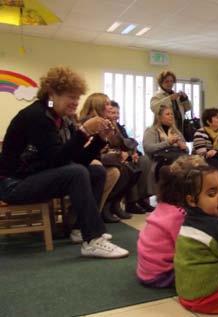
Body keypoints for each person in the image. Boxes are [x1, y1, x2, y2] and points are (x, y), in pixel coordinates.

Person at [0, 66, 128, 258]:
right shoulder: (36, 116)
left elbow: (75, 159)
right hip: (13, 184)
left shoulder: (60, 118)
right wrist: (84, 131)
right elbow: (57, 159)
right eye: (71, 97)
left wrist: (100, 138)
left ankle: (79, 228)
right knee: (76, 172)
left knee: (96, 172)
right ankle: (92, 239)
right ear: (52, 95)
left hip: (35, 176)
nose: (76, 102)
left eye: (77, 97)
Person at [174, 165, 218, 314]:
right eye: (212, 194)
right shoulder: (216, 227)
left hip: (188, 295)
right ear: (192, 200)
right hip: (210, 297)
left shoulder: (189, 221)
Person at [137, 155, 206, 288]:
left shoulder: (164, 206)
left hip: (146, 272)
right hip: (162, 276)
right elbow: (191, 250)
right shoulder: (180, 216)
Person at [80, 93, 140, 222]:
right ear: (98, 106)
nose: (111, 108)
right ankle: (100, 210)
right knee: (118, 170)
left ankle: (109, 205)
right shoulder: (89, 123)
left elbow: (122, 143)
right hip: (90, 163)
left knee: (128, 168)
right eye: (107, 104)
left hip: (101, 159)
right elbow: (92, 151)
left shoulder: (107, 123)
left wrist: (127, 152)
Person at [109, 101, 154, 213]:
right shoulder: (107, 128)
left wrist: (135, 153)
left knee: (145, 160)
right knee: (131, 165)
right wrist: (129, 155)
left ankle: (142, 199)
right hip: (118, 157)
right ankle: (131, 202)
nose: (116, 115)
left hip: (128, 155)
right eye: (113, 112)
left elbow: (129, 143)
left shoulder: (120, 128)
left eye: (117, 112)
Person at [143, 104, 188, 193]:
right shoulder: (152, 131)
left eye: (172, 114)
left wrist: (183, 146)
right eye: (167, 114)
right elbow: (148, 148)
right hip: (159, 161)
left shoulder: (175, 131)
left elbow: (186, 150)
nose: (171, 116)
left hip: (177, 158)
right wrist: (168, 143)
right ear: (159, 117)